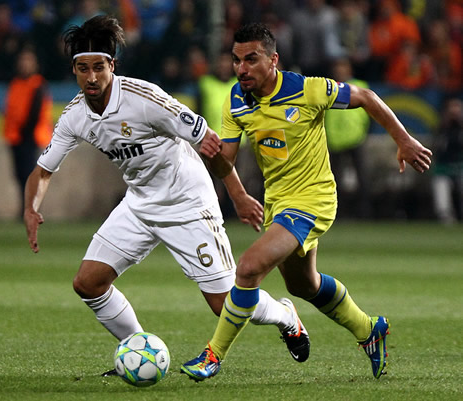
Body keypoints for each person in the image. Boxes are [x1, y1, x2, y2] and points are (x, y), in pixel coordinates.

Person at [23, 16, 309, 375]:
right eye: (83, 69)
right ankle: (137, 350)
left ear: (112, 66)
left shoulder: (145, 99)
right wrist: (31, 208)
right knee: (88, 283)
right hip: (140, 203)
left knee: (224, 304)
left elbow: (210, 144)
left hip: (188, 201)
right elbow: (43, 170)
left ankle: (286, 316)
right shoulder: (74, 117)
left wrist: (236, 193)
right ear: (75, 70)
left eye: (99, 67)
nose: (91, 77)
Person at [181, 23, 432, 381]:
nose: (242, 69)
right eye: (237, 60)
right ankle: (369, 329)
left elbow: (366, 98)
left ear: (273, 60)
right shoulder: (235, 100)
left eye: (251, 59)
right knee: (302, 286)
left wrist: (403, 140)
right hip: (278, 204)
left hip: (313, 200)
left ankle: (213, 355)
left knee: (249, 268)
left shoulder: (307, 88)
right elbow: (227, 162)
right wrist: (213, 155)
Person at [4, 47, 53, 217]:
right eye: (22, 60)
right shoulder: (15, 83)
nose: (24, 64)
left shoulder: (38, 85)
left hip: (30, 137)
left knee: (28, 175)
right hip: (15, 137)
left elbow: (34, 113)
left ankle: (32, 208)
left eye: (28, 61)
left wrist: (25, 132)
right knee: (19, 175)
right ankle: (26, 208)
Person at [324, 58, 371, 218]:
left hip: (355, 137)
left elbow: (369, 110)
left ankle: (364, 213)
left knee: (361, 177)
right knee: (333, 180)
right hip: (335, 140)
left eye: (343, 67)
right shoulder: (328, 87)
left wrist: (364, 131)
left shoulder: (360, 85)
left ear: (349, 69)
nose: (340, 71)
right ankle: (338, 212)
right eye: (338, 67)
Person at [431, 97, 463, 224]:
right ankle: (445, 214)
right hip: (444, 167)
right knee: (440, 183)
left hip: (460, 166)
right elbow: (438, 149)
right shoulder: (442, 129)